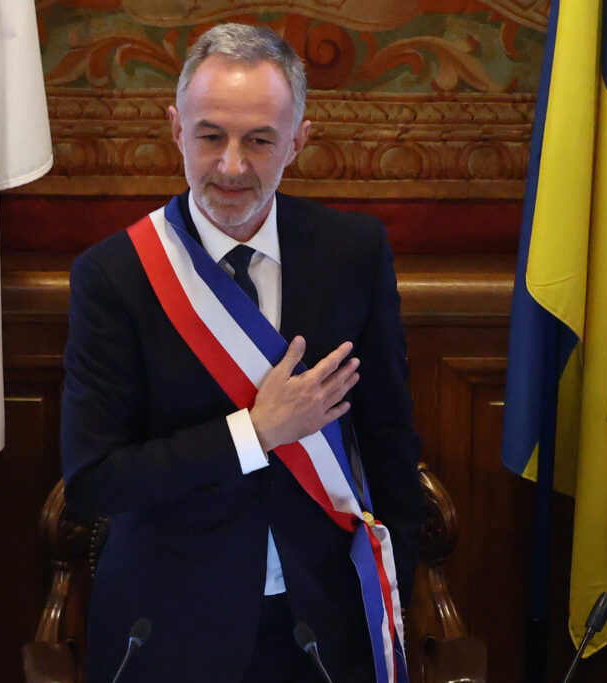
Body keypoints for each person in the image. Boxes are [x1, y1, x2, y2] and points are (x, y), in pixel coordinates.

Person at [61, 23, 422, 683]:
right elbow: (94, 479)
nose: (231, 165)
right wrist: (255, 432)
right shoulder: (114, 276)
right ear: (175, 128)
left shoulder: (353, 253)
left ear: (299, 140)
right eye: (210, 136)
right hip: (168, 622)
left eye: (259, 140)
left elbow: (389, 440)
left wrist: (398, 601)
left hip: (324, 620)